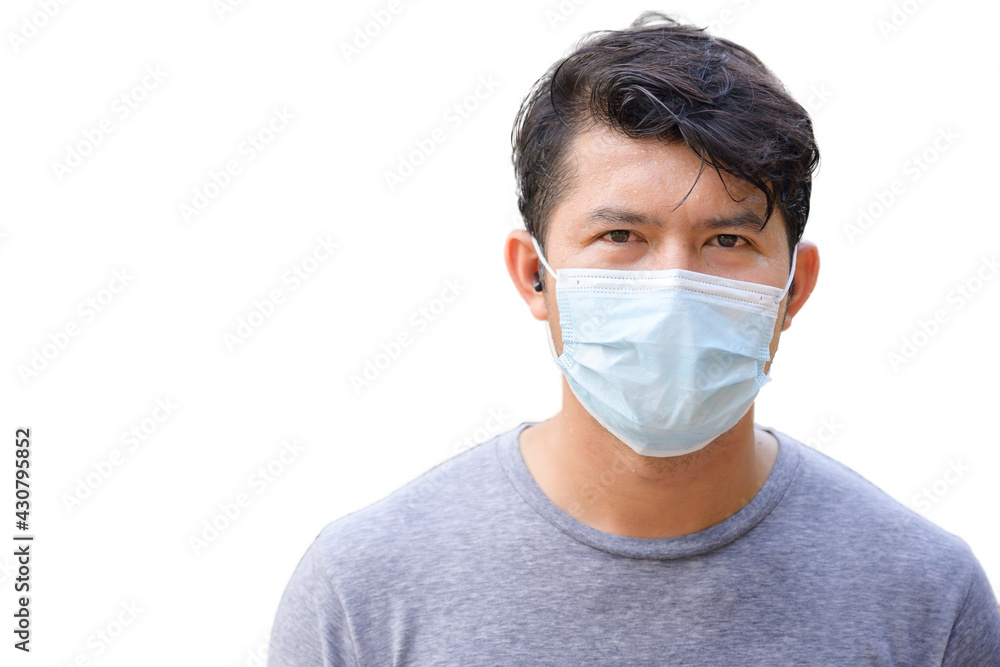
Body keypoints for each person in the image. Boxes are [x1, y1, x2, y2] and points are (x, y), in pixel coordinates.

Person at [268, 12, 1000, 665]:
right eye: (620, 235)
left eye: (726, 240)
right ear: (534, 274)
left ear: (793, 291)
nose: (673, 287)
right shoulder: (364, 592)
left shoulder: (926, 599)